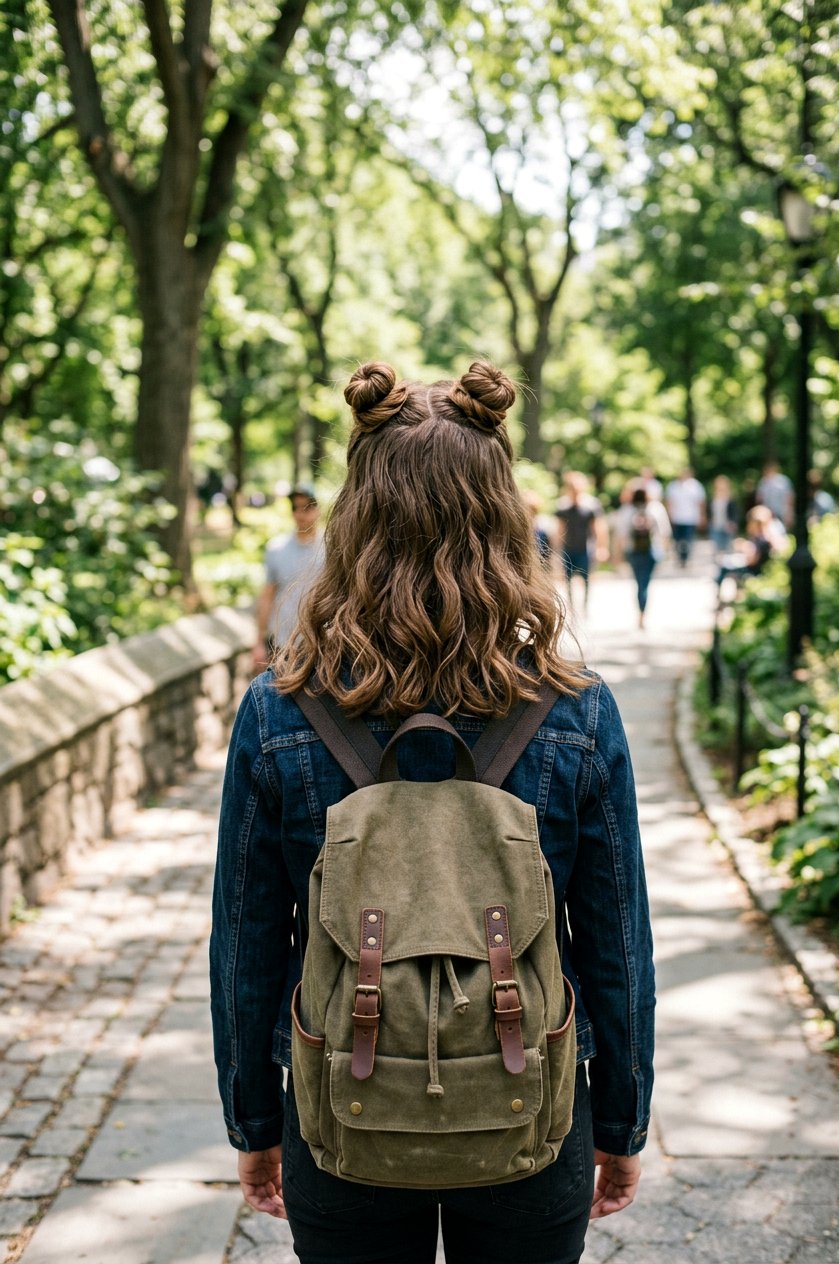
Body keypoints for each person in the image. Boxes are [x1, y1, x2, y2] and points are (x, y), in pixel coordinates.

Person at [211, 361, 655, 1264]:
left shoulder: (280, 711)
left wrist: (254, 1122)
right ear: (502, 516)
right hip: (532, 1104)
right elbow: (617, 941)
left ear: (355, 516)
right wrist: (623, 1119)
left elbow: (247, 942)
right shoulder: (574, 711)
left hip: (342, 1106)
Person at [252, 483, 325, 671]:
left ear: (317, 510)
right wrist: (259, 642)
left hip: (322, 646)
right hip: (284, 645)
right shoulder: (276, 549)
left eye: (306, 507)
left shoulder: (331, 549)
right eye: (295, 508)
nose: (300, 514)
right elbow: (268, 596)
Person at [615, 486, 671, 629]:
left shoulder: (627, 510)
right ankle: (642, 613)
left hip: (633, 551)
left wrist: (618, 555)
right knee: (645, 582)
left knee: (639, 582)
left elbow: (621, 534)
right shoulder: (656, 508)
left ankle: (640, 614)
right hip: (652, 551)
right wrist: (665, 552)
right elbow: (664, 532)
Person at [554, 471, 609, 611]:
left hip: (586, 547)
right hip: (569, 547)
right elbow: (559, 529)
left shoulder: (591, 505)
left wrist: (601, 548)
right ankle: (571, 606)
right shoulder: (562, 505)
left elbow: (598, 528)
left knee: (586, 578)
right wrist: (556, 551)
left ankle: (585, 606)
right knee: (568, 579)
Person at [716, 505, 780, 597]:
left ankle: (721, 598)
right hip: (755, 568)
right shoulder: (764, 537)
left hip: (755, 571)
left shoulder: (763, 540)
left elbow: (752, 561)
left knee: (725, 568)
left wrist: (745, 548)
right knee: (726, 564)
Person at [664, 467, 706, 567]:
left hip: (690, 518)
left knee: (688, 540)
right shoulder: (673, 486)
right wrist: (669, 515)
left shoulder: (696, 486)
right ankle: (679, 557)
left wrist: (702, 516)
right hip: (677, 518)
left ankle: (685, 558)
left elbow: (701, 502)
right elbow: (669, 502)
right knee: (678, 540)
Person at [756, 461, 794, 528]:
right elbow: (760, 499)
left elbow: (789, 497)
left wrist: (789, 512)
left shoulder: (783, 480)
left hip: (782, 512)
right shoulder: (763, 482)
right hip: (768, 513)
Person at [708, 475, 738, 555]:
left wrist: (733, 523)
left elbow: (734, 512)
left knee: (728, 546)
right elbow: (710, 511)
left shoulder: (730, 499)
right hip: (715, 525)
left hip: (727, 525)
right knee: (716, 546)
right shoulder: (713, 498)